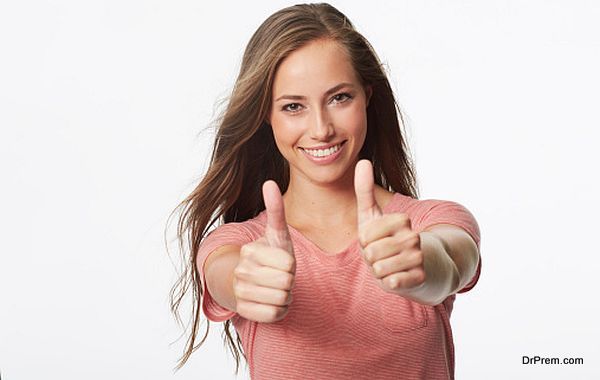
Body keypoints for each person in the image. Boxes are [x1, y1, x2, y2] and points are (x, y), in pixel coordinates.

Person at [170, 3, 481, 379]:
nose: (321, 129)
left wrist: (424, 264)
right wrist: (244, 281)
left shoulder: (431, 222)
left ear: (367, 97)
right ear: (266, 115)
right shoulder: (240, 244)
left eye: (339, 98)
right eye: (293, 106)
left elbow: (452, 259)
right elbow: (225, 274)